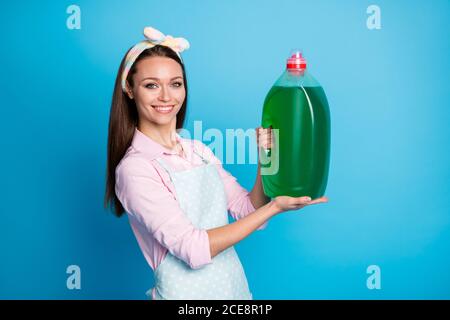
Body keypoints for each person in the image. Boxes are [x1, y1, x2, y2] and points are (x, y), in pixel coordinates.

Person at [104, 26, 328, 300]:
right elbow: (193, 249)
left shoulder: (197, 151)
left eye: (175, 83)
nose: (166, 96)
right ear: (129, 89)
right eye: (151, 85)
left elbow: (249, 212)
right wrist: (274, 208)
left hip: (234, 293)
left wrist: (265, 159)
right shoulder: (134, 169)